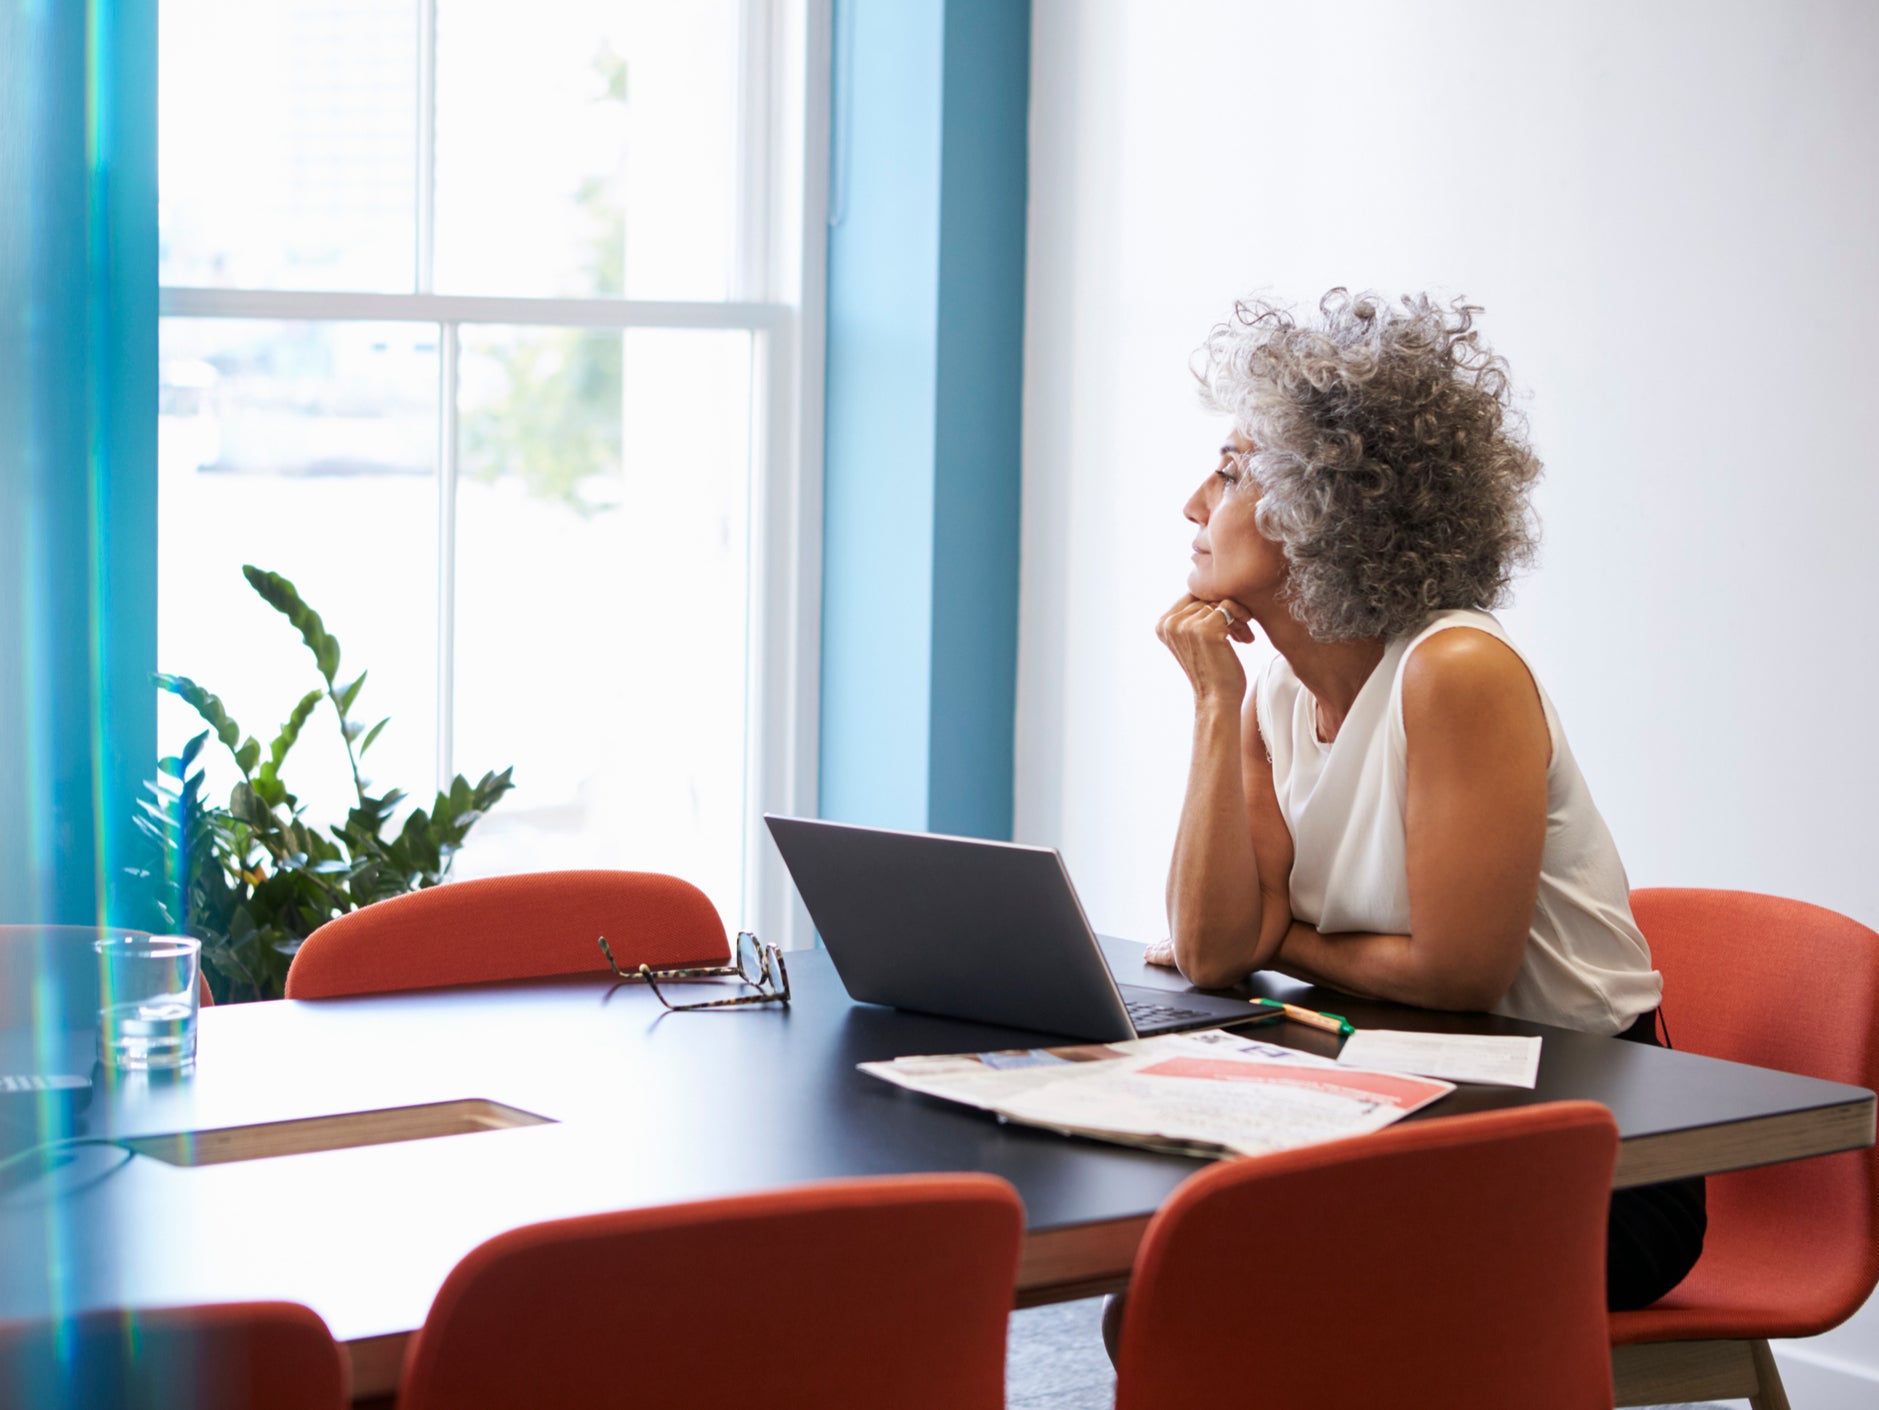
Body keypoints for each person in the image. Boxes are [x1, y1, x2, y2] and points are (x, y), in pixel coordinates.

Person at [1138, 289, 1704, 1322]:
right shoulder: (1269, 691)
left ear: (1326, 501)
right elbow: (1217, 950)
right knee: (1174, 1297)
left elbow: (1456, 974)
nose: (1192, 505)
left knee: (1215, 1299)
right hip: (1405, 1097)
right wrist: (1214, 700)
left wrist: (1287, 938)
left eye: (1227, 470)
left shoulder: (1455, 672)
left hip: (1591, 1150)